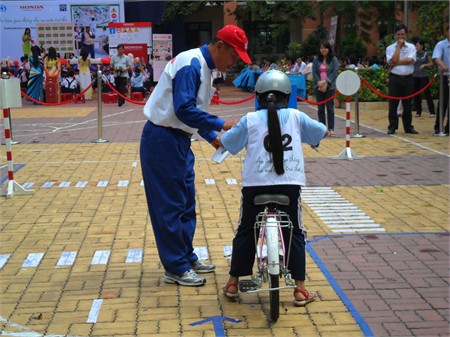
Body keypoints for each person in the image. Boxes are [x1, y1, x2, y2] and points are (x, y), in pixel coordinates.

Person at [140, 24, 251, 287]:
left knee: (185, 202)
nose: (234, 62)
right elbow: (183, 109)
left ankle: (186, 257)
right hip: (162, 139)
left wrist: (213, 138)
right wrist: (221, 124)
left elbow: (192, 111)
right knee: (169, 206)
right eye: (234, 56)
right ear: (220, 46)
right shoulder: (191, 64)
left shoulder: (204, 67)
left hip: (178, 139)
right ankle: (176, 267)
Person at [220, 70, 327, 305]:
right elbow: (320, 132)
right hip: (289, 187)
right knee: (295, 232)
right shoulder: (296, 117)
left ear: (257, 96)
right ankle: (300, 289)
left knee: (246, 229)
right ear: (287, 96)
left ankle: (232, 282)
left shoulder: (249, 120)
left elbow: (227, 143)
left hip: (254, 187)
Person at [386, 24, 418, 135]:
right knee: (393, 103)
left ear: (406, 35)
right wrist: (398, 47)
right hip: (395, 78)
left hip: (408, 78)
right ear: (395, 35)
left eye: (403, 34)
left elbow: (410, 60)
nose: (401, 37)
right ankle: (392, 126)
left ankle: (408, 126)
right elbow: (392, 60)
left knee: (408, 104)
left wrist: (396, 63)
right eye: (398, 34)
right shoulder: (390, 48)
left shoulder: (411, 47)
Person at [312, 40, 339, 137]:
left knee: (330, 108)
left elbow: (334, 72)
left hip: (330, 86)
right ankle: (323, 129)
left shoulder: (334, 59)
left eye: (325, 48)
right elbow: (314, 72)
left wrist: (325, 82)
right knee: (320, 108)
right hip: (318, 86)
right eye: (321, 48)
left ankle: (331, 128)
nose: (323, 50)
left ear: (329, 49)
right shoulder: (316, 59)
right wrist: (319, 83)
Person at [412, 38, 436, 118]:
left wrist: (425, 65)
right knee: (416, 95)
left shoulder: (426, 54)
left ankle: (432, 112)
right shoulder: (413, 53)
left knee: (427, 94)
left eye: (418, 45)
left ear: (422, 46)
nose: (416, 47)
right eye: (415, 45)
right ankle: (418, 111)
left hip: (423, 77)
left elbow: (431, 64)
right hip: (415, 76)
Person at [432, 29, 449, 136]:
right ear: (447, 33)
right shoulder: (441, 45)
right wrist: (442, 65)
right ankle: (438, 128)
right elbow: (436, 57)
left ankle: (449, 128)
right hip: (445, 77)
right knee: (443, 103)